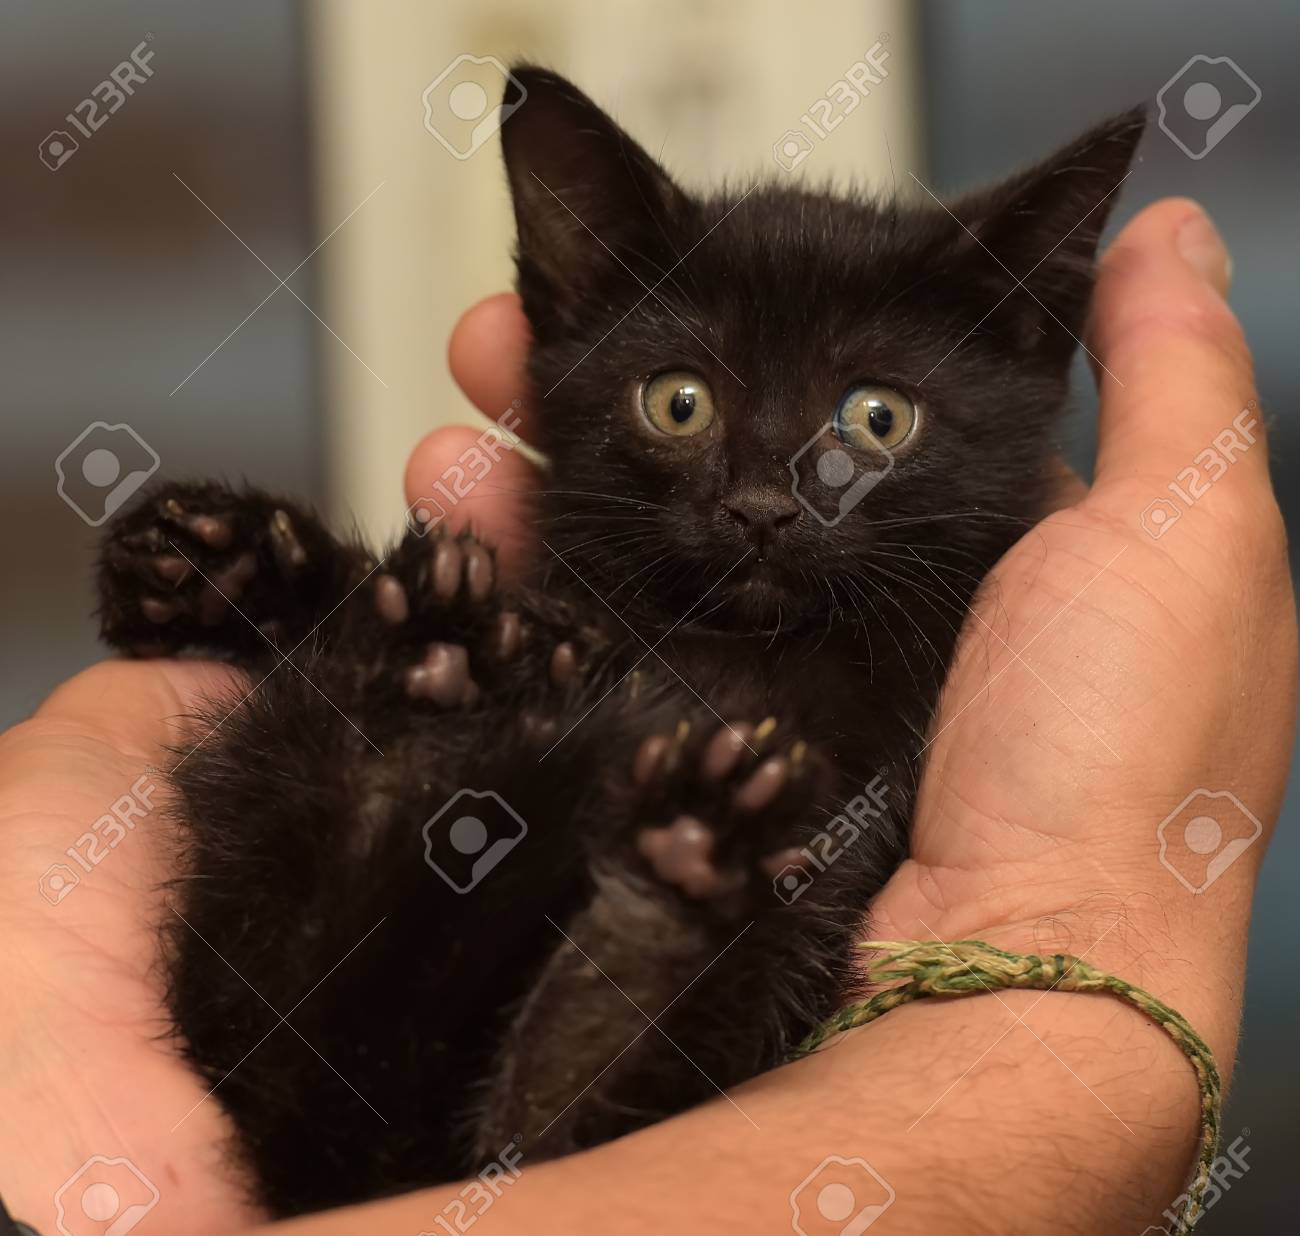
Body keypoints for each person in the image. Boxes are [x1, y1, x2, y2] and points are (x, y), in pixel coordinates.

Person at [0, 199, 1293, 1236]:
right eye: (682, 408)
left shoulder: (919, 702)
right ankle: (440, 740)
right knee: (446, 736)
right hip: (328, 1023)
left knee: (728, 861)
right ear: (571, 345)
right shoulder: (550, 627)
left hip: (509, 1107)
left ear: (1021, 364)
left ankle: (626, 909)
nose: (767, 499)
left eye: (874, 421)